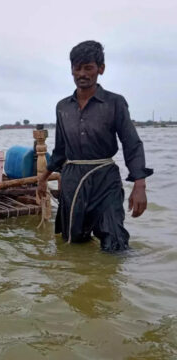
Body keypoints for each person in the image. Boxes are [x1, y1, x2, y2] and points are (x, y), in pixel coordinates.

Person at [37, 40, 153, 252]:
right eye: (77, 68)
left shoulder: (115, 103)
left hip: (105, 179)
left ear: (101, 69)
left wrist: (140, 185)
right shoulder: (63, 107)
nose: (82, 73)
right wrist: (43, 178)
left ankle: (110, 281)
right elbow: (60, 150)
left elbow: (131, 143)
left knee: (115, 242)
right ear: (71, 70)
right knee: (72, 241)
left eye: (88, 67)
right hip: (73, 181)